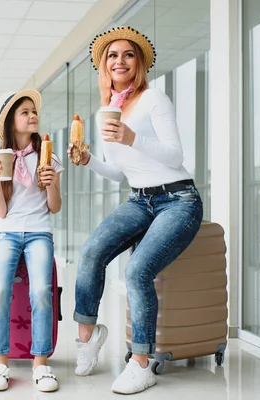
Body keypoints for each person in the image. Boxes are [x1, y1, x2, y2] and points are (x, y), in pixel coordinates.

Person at [68, 26, 203, 394]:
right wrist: (89, 160)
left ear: (139, 63)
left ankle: (141, 363)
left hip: (179, 200)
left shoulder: (154, 99)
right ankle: (88, 336)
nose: (120, 61)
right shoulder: (105, 112)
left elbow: (175, 157)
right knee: (92, 250)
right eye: (112, 55)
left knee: (138, 269)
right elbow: (119, 172)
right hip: (140, 199)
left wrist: (133, 137)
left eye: (128, 55)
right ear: (104, 66)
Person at [0, 89, 64, 392]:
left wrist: (53, 184)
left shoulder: (49, 156)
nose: (33, 116)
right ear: (11, 122)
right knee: (0, 291)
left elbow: (55, 207)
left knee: (43, 291)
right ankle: (0, 362)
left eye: (34, 112)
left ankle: (41, 363)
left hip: (39, 232)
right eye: (25, 112)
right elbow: (1, 212)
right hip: (7, 231)